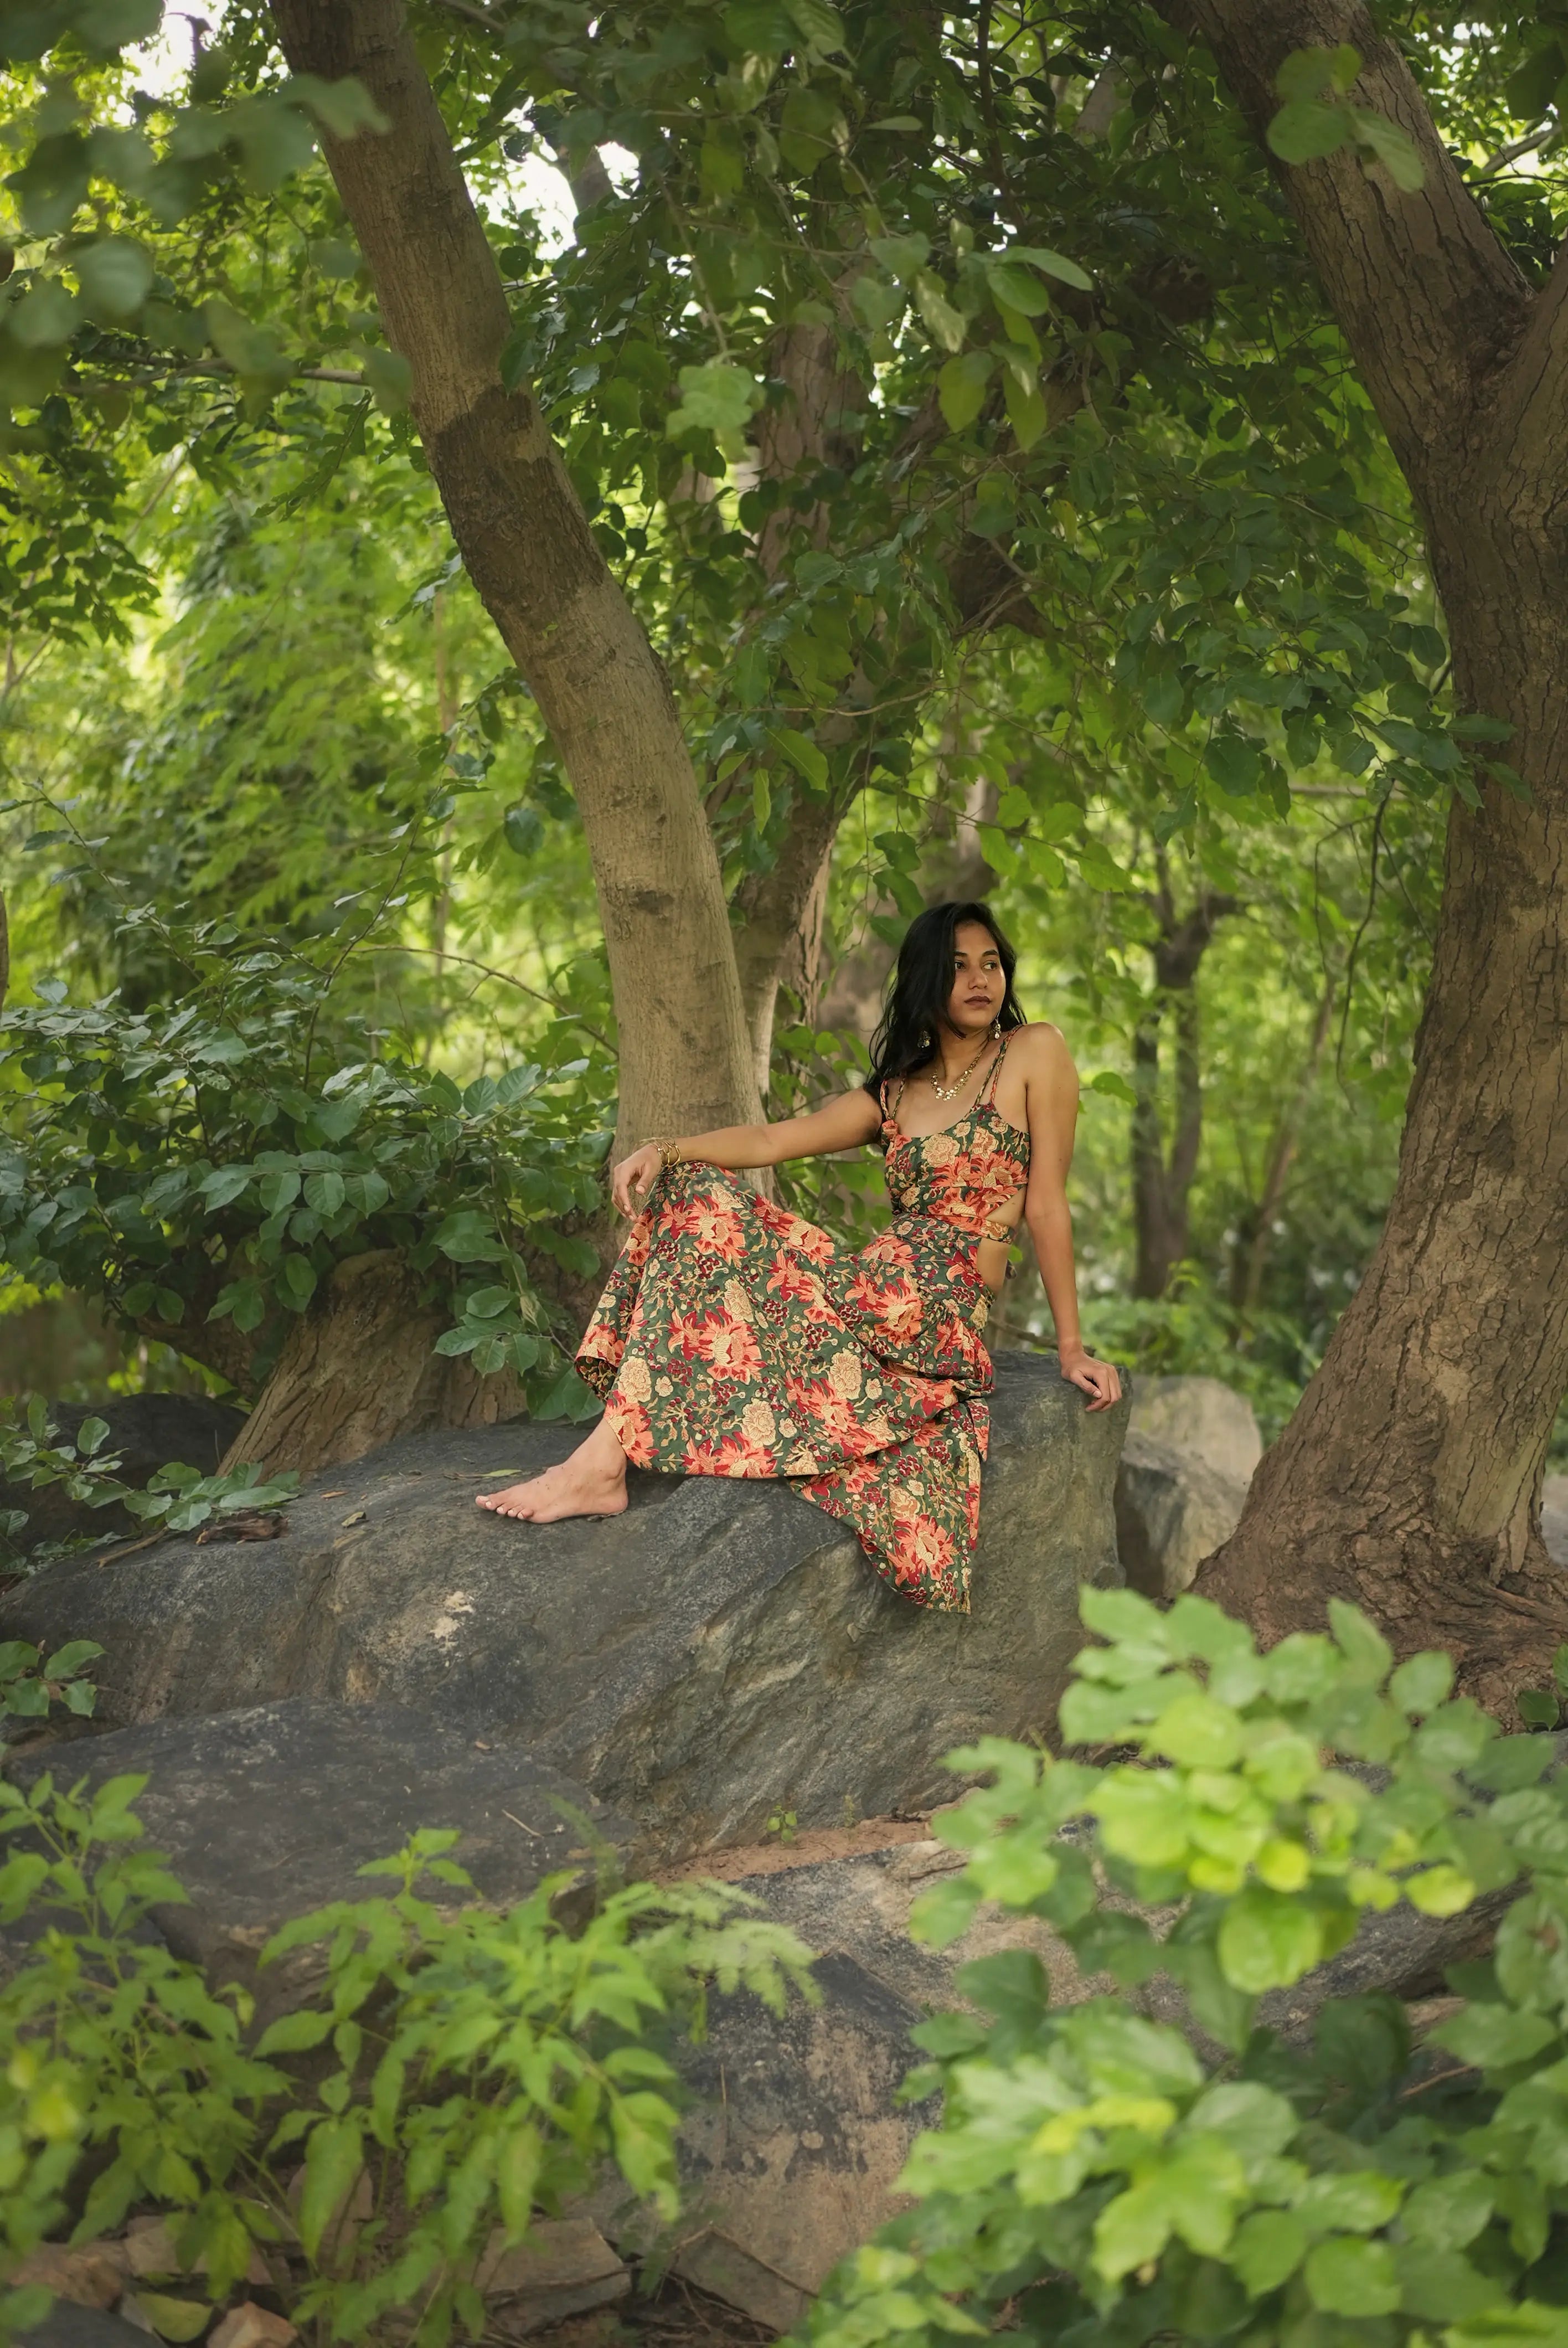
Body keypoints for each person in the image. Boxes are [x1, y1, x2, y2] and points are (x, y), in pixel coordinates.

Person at [476, 900, 1121, 1611]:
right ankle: (603, 1464)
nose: (980, 979)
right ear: (927, 980)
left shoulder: (1034, 1051)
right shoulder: (895, 1092)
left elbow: (1046, 1205)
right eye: (960, 965)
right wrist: (664, 1150)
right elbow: (772, 1141)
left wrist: (1070, 1349)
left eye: (992, 963)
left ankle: (598, 1465)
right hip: (875, 1286)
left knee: (722, 1244)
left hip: (935, 1305)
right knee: (694, 1192)